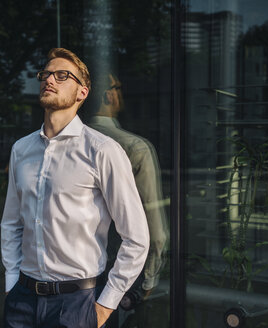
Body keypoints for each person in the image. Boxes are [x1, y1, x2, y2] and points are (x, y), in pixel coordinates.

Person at [1, 48, 150, 328]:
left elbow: (137, 238)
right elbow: (11, 223)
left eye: (62, 75)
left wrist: (105, 306)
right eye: (45, 74)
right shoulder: (21, 149)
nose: (49, 79)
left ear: (82, 93)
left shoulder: (103, 150)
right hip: (22, 299)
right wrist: (11, 283)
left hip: (76, 303)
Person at [88, 73, 169, 327]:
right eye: (119, 88)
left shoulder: (62, 144)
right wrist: (148, 281)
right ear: (108, 95)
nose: (121, 94)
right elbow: (155, 230)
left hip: (71, 279)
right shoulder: (135, 148)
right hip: (116, 276)